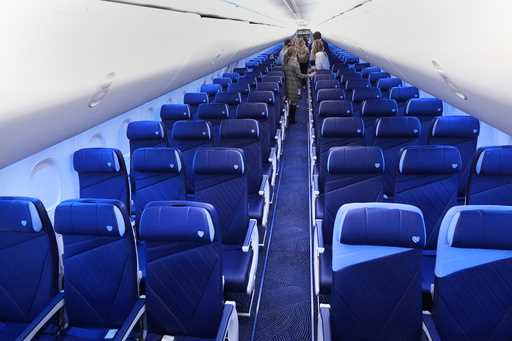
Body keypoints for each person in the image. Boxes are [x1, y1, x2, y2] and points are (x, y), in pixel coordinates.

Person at [283, 46, 314, 124]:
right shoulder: (294, 62)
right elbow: (299, 75)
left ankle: (290, 118)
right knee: (294, 103)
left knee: (291, 102)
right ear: (295, 53)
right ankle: (292, 119)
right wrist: (309, 75)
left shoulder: (286, 62)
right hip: (294, 85)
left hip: (288, 85)